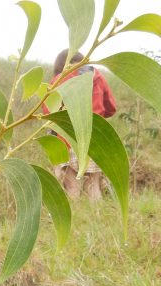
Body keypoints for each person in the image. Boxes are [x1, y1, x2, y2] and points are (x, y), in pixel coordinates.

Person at [45, 49, 117, 200]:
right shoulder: (97, 77)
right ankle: (96, 221)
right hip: (94, 139)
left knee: (72, 189)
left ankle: (75, 222)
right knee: (94, 186)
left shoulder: (59, 80)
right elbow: (111, 107)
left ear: (61, 64)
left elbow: (48, 113)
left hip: (67, 139)